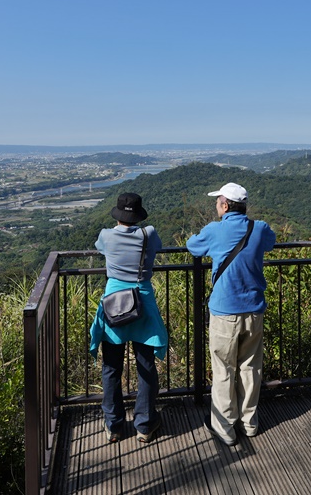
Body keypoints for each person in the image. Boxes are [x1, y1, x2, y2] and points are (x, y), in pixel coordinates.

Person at [187, 182, 276, 446]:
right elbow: (270, 243)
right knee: (250, 367)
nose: (216, 206)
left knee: (224, 368)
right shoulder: (259, 228)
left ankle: (225, 427)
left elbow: (193, 246)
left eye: (217, 202)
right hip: (254, 309)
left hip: (225, 312)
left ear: (225, 205)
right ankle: (249, 422)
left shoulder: (215, 230)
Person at [89, 193, 168, 443]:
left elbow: (99, 248)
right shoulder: (149, 234)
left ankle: (113, 425)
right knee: (145, 364)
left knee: (111, 367)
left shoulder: (106, 235)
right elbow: (158, 248)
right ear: (138, 215)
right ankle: (144, 424)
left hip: (114, 303)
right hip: (141, 302)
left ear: (118, 214)